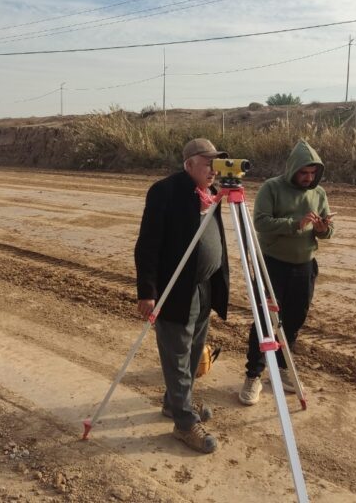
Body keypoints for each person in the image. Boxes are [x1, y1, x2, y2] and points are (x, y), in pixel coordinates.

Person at [135, 138, 230, 454]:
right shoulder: (165, 191)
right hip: (175, 289)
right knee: (177, 354)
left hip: (203, 286)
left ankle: (174, 402)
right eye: (208, 163)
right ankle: (185, 423)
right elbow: (147, 245)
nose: (214, 170)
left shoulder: (211, 193)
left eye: (217, 163)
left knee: (193, 351)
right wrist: (147, 291)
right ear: (189, 164)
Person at [239, 139, 334, 406]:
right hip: (273, 266)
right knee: (264, 321)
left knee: (293, 320)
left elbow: (328, 231)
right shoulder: (272, 188)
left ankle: (282, 369)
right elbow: (261, 222)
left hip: (305, 266)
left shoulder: (319, 193)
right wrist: (295, 224)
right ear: (293, 169)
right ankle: (253, 375)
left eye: (313, 173)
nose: (308, 178)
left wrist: (323, 229)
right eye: (304, 172)